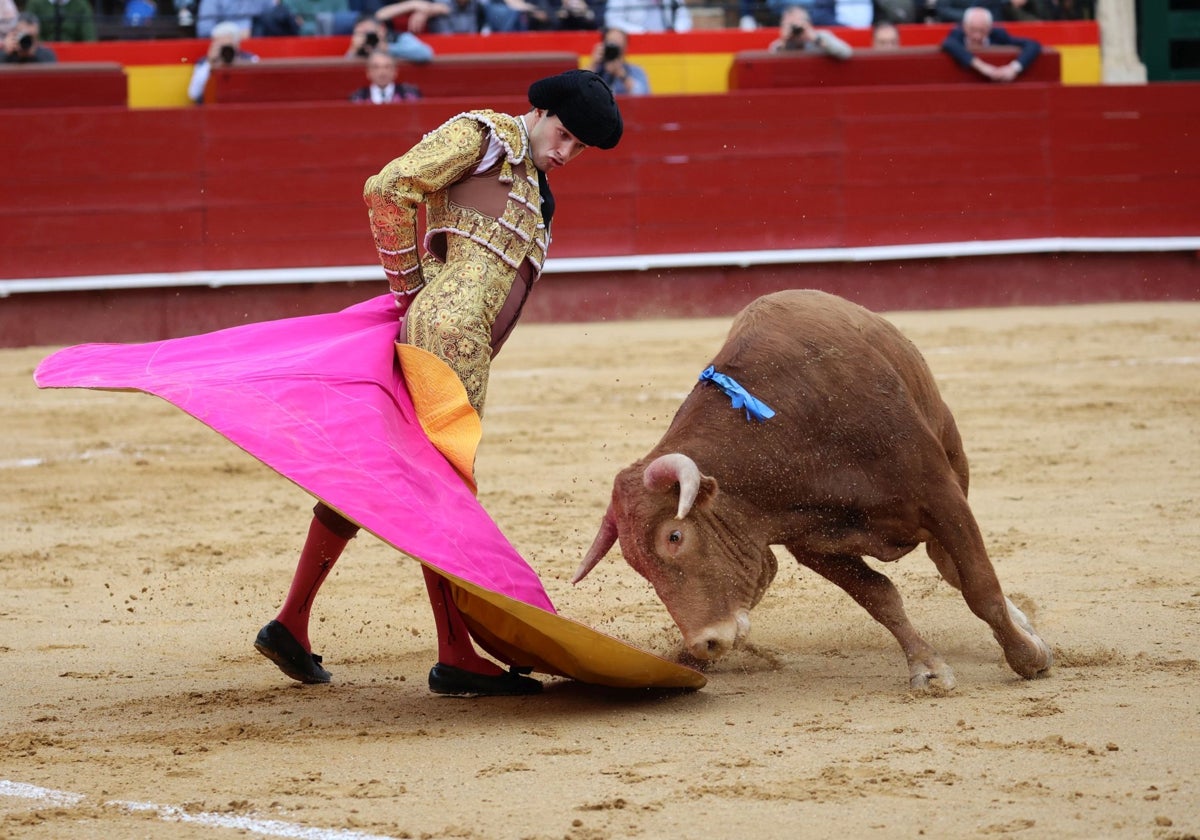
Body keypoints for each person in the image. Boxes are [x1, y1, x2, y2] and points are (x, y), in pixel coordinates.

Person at [253, 69, 623, 696]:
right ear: (539, 111)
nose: (567, 153)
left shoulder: (534, 187)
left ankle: (291, 623)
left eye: (580, 148)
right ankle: (455, 653)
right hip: (446, 342)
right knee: (440, 490)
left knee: (387, 474)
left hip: (465, 348)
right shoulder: (487, 136)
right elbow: (387, 188)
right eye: (564, 135)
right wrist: (409, 291)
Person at [941, 5, 1040, 82]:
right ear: (964, 27)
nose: (977, 36)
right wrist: (983, 67)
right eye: (973, 30)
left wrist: (1013, 68)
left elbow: (1033, 44)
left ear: (990, 28)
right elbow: (948, 43)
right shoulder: (957, 34)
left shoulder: (998, 35)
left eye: (982, 31)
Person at [187, 20, 259, 104]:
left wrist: (237, 64)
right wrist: (210, 62)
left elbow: (256, 91)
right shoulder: (204, 62)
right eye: (221, 46)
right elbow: (193, 94)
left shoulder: (251, 59)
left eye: (228, 46)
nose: (225, 51)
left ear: (237, 45)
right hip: (212, 108)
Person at [768, 5, 852, 58]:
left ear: (809, 23)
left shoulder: (822, 36)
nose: (796, 28)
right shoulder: (778, 44)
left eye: (800, 21)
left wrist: (815, 39)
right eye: (791, 24)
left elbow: (846, 53)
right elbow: (771, 65)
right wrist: (784, 42)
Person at [344, 12, 432, 63]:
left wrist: (388, 48)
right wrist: (353, 50)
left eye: (369, 33)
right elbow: (344, 73)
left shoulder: (398, 38)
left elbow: (425, 53)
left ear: (382, 29)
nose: (367, 37)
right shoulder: (358, 46)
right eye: (361, 33)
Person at [589, 26, 650, 96]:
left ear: (625, 48)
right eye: (610, 44)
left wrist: (623, 76)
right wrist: (593, 65)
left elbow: (643, 97)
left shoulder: (636, 71)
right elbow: (578, 91)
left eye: (618, 46)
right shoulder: (595, 70)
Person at [348, 48, 421, 102]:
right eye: (376, 67)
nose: (382, 72)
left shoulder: (410, 94)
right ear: (368, 73)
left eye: (387, 67)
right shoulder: (358, 97)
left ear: (395, 71)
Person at [23, 0, 97, 41]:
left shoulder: (81, 4)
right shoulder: (35, 3)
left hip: (74, 55)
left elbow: (89, 38)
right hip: (41, 55)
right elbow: (28, 34)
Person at [603, 0, 690, 34]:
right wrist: (642, 32)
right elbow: (612, 21)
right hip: (635, 45)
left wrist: (675, 33)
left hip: (668, 44)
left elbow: (684, 17)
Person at [195, 0, 270, 37]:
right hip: (223, 50)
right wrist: (234, 34)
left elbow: (273, 23)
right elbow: (204, 30)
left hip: (259, 46)